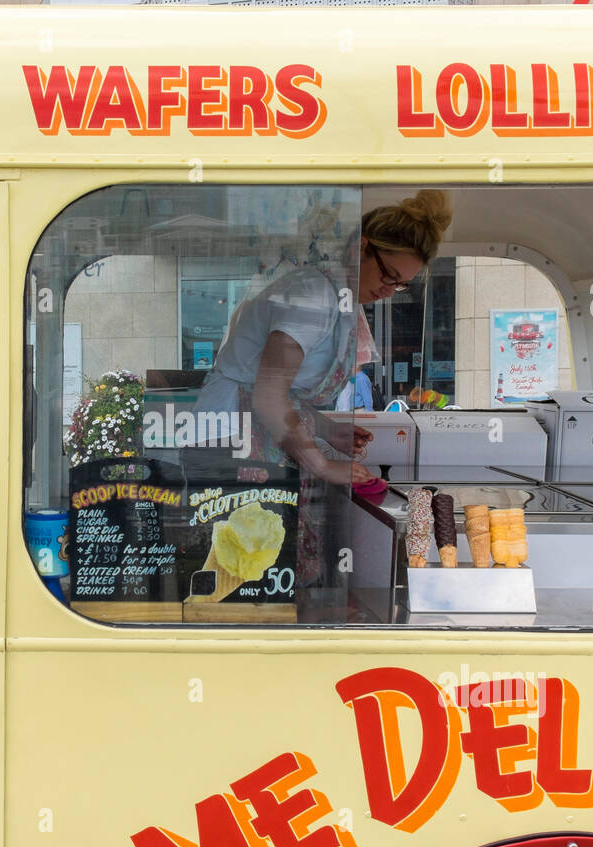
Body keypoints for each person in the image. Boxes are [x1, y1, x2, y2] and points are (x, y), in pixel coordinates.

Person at [188, 191, 453, 589]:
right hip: (231, 437)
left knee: (265, 567)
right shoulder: (313, 296)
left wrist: (329, 432)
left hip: (254, 433)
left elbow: (286, 396)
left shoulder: (340, 300)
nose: (388, 290)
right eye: (387, 275)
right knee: (241, 570)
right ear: (362, 247)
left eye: (400, 285)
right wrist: (325, 464)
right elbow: (267, 396)